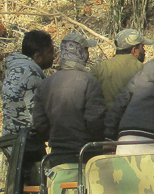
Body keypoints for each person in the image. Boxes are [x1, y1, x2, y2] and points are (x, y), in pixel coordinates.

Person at [31, 32, 107, 160]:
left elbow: (39, 124)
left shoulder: (45, 84)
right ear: (81, 53)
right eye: (86, 50)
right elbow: (95, 122)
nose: (88, 54)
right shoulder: (89, 81)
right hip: (86, 154)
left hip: (57, 154)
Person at [1, 29, 54, 138]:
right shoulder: (30, 74)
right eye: (50, 52)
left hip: (12, 140)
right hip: (24, 144)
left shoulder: (17, 67)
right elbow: (36, 117)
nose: (53, 56)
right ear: (37, 57)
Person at [90, 28, 151, 106]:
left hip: (106, 116)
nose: (144, 51)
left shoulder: (98, 68)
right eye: (142, 47)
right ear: (134, 50)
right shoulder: (143, 69)